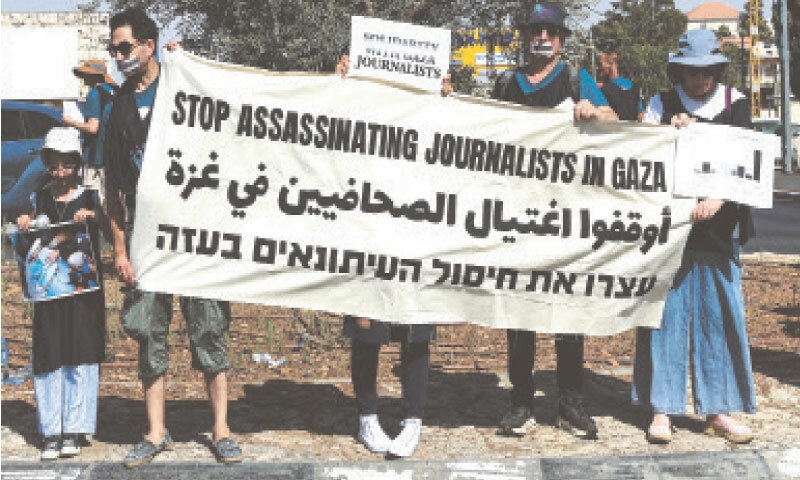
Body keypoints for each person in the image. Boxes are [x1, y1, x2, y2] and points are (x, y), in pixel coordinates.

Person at [103, 8, 242, 466]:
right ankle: (156, 431)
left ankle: (221, 429)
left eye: (125, 46)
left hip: (195, 238)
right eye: (113, 48)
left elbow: (237, 113)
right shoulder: (119, 107)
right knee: (149, 333)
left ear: (148, 45)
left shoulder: (183, 84)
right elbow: (115, 188)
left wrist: (193, 66)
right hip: (147, 242)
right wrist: (120, 250)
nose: (119, 55)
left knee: (209, 328)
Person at [487, 2, 618, 439]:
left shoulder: (577, 79)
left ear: (562, 38)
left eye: (550, 31)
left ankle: (569, 401)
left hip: (567, 214)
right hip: (518, 215)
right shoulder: (506, 83)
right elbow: (476, 131)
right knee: (519, 308)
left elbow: (616, 120)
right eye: (535, 30)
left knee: (568, 307)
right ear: (525, 36)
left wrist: (594, 112)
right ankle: (521, 400)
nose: (542, 37)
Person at [631, 28, 756, 445]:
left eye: (708, 72)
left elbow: (745, 159)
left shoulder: (734, 103)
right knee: (663, 318)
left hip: (720, 231)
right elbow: (639, 151)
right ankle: (661, 408)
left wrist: (719, 198)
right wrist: (666, 130)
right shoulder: (659, 104)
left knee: (718, 317)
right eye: (692, 72)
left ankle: (718, 409)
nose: (700, 80)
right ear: (679, 70)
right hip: (671, 230)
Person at [334, 55, 434, 459]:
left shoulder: (426, 116)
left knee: (416, 333)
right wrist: (338, 85)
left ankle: (413, 420)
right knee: (367, 329)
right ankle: (367, 416)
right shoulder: (360, 120)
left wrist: (445, 98)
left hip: (418, 231)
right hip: (367, 231)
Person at [16, 127, 106, 461]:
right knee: (50, 350)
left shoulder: (90, 197)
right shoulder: (39, 197)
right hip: (49, 293)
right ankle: (52, 429)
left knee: (80, 351)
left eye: (65, 165)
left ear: (75, 163)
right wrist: (24, 221)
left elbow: (111, 227)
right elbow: (27, 236)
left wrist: (94, 217)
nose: (60, 172)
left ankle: (76, 426)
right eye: (54, 165)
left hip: (83, 292)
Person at [63, 60, 117, 242]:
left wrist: (72, 123)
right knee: (113, 206)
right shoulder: (111, 93)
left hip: (97, 157)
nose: (83, 78)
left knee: (99, 208)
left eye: (85, 74)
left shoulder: (94, 94)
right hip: (111, 156)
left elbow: (93, 127)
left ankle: (116, 248)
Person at [596, 52, 642, 121]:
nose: (597, 68)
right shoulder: (633, 86)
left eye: (600, 64)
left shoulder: (605, 89)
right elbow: (640, 114)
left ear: (610, 65)